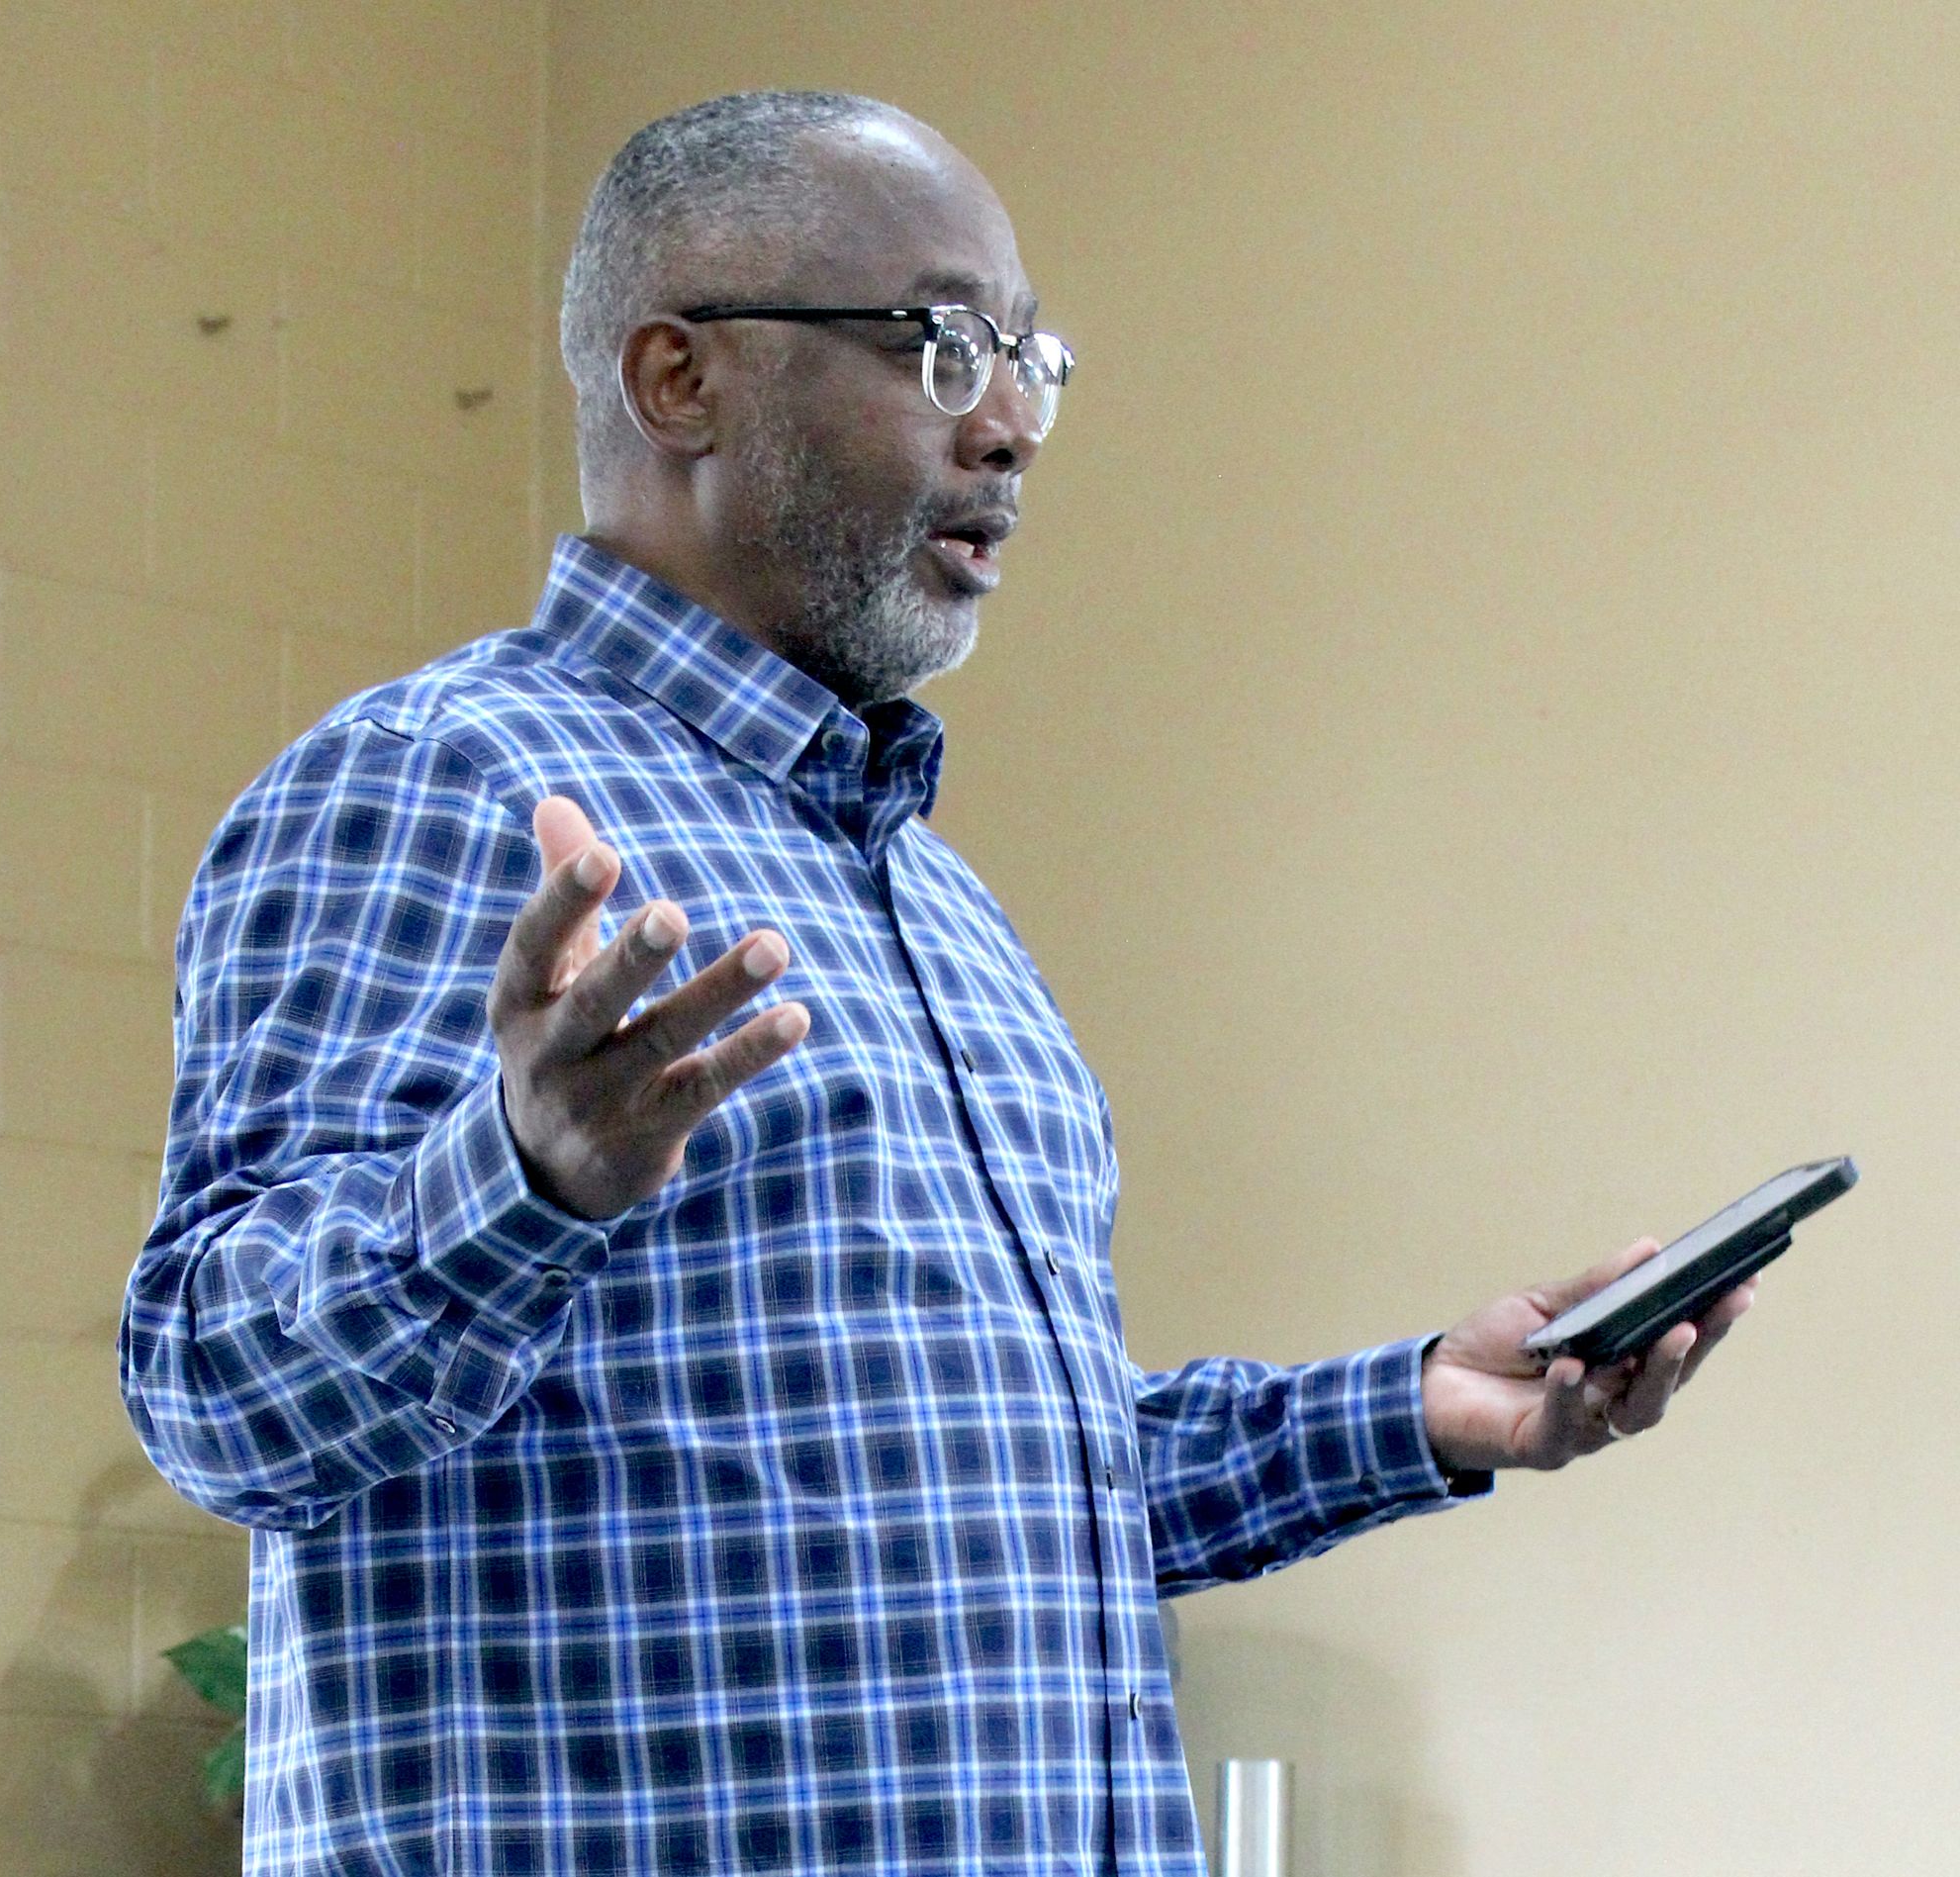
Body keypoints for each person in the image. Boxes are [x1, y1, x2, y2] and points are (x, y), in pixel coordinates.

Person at [121, 89, 1756, 1876]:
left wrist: (1421, 1407)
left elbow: (1015, 1491)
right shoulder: (436, 780)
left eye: (1033, 356)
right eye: (947, 346)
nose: (1014, 427)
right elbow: (209, 1387)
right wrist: (521, 1184)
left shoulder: (934, 899)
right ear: (681, 382)